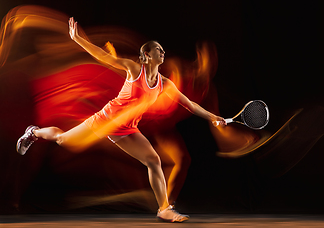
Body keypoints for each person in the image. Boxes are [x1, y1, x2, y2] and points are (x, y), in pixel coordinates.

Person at [16, 17, 226, 223]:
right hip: (105, 119)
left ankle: (164, 210)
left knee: (153, 161)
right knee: (62, 139)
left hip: (127, 129)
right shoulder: (135, 69)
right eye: (158, 50)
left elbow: (189, 104)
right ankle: (33, 132)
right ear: (146, 54)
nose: (162, 52)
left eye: (163, 50)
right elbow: (104, 57)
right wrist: (78, 39)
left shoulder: (164, 84)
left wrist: (213, 117)